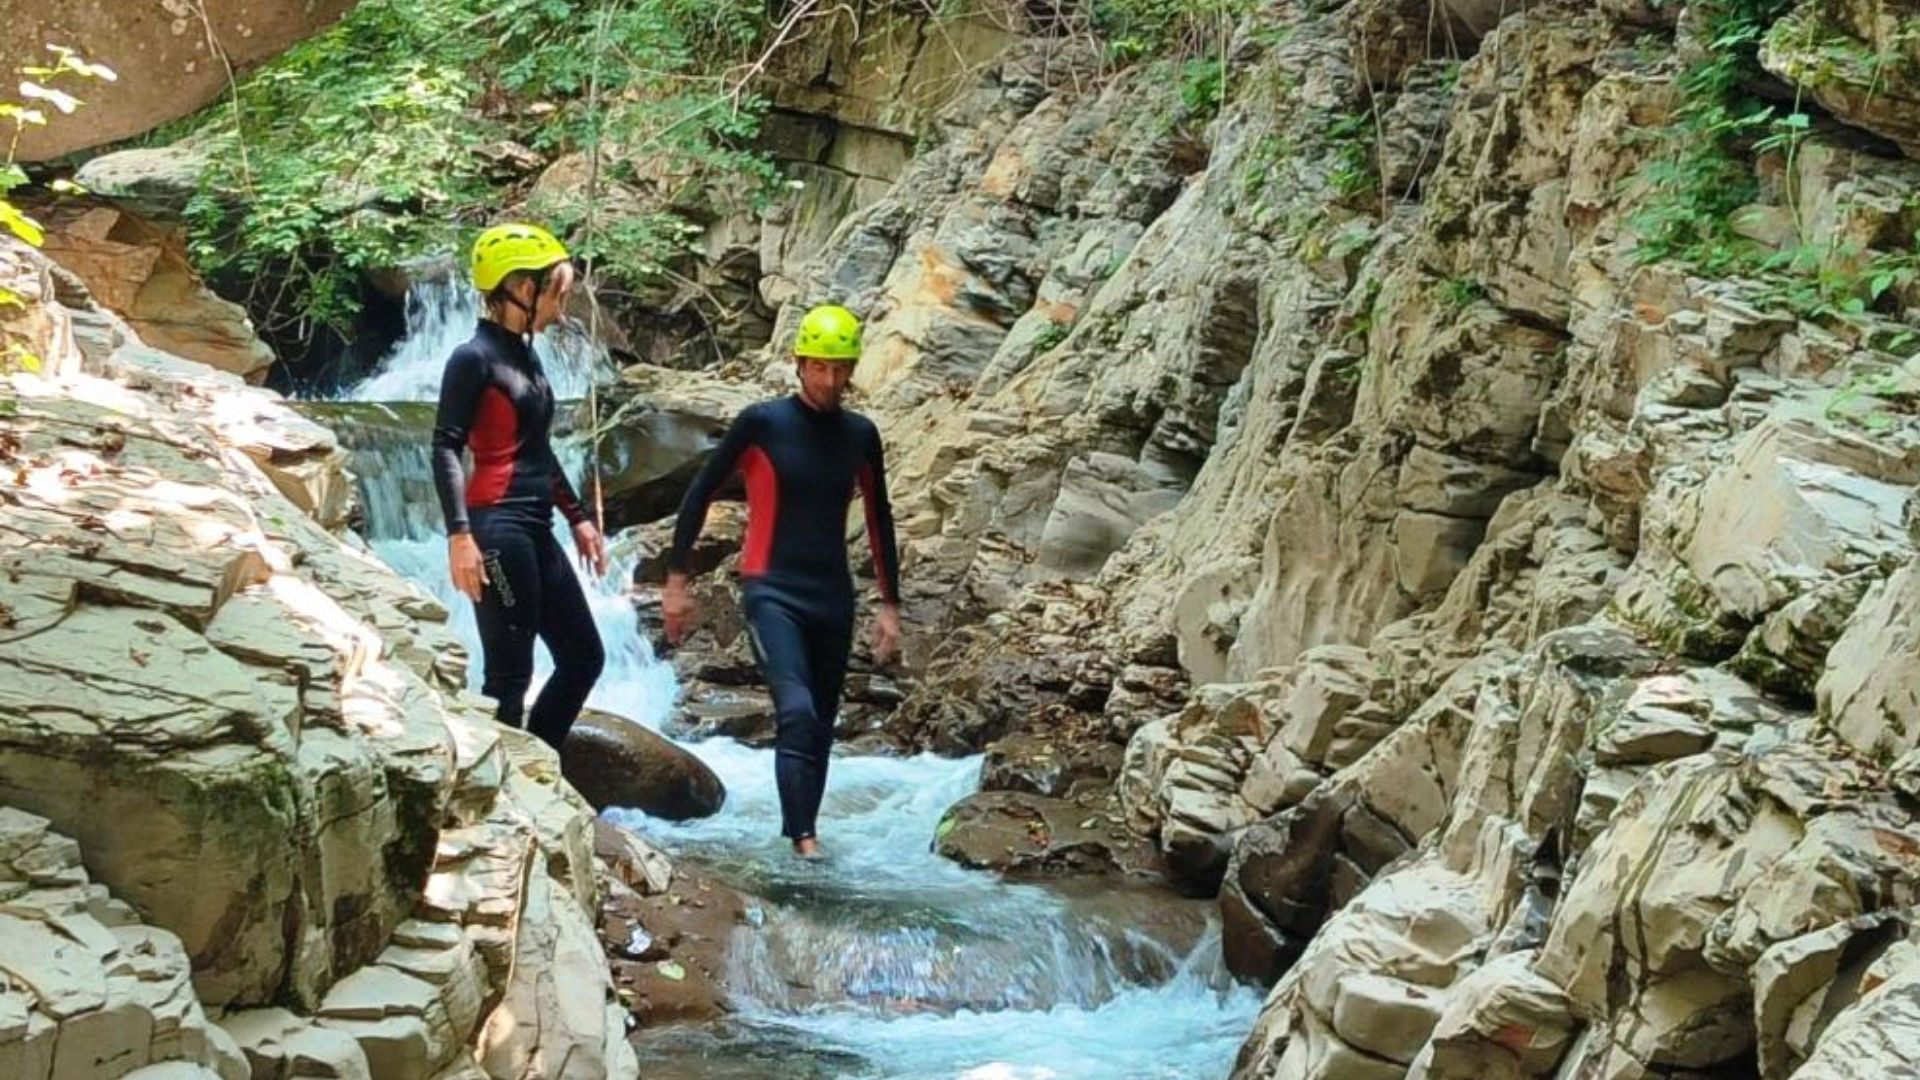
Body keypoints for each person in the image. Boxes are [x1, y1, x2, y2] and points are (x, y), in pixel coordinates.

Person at [663, 303, 902, 858]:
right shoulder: (763, 424)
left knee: (819, 722)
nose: (830, 380)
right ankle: (805, 842)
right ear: (798, 364)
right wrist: (677, 580)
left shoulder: (860, 435)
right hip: (771, 589)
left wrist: (890, 607)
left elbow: (878, 518)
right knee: (794, 711)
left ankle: (803, 829)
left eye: (841, 368)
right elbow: (700, 493)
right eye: (819, 367)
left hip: (832, 598)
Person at [431, 222, 609, 749]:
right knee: (509, 680)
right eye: (558, 293)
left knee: (583, 658)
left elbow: (537, 449)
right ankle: (502, 800)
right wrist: (459, 537)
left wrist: (578, 517)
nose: (562, 307)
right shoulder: (473, 358)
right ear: (523, 290)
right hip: (495, 532)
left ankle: (540, 769)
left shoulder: (527, 354)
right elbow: (445, 445)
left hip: (534, 528)